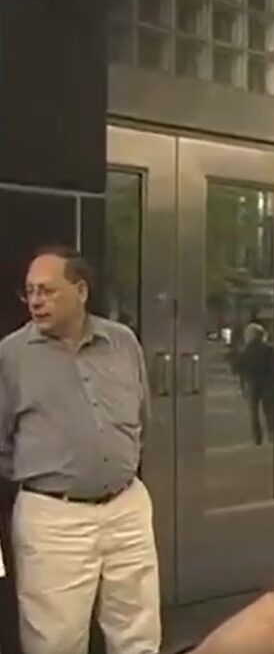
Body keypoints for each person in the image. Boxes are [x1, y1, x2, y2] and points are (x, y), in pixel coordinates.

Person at [0, 246, 160, 654]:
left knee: (138, 633)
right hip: (54, 518)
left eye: (48, 291)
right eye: (30, 291)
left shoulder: (123, 342)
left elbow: (142, 416)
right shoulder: (12, 356)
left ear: (81, 291)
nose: (36, 300)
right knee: (55, 641)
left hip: (127, 507)